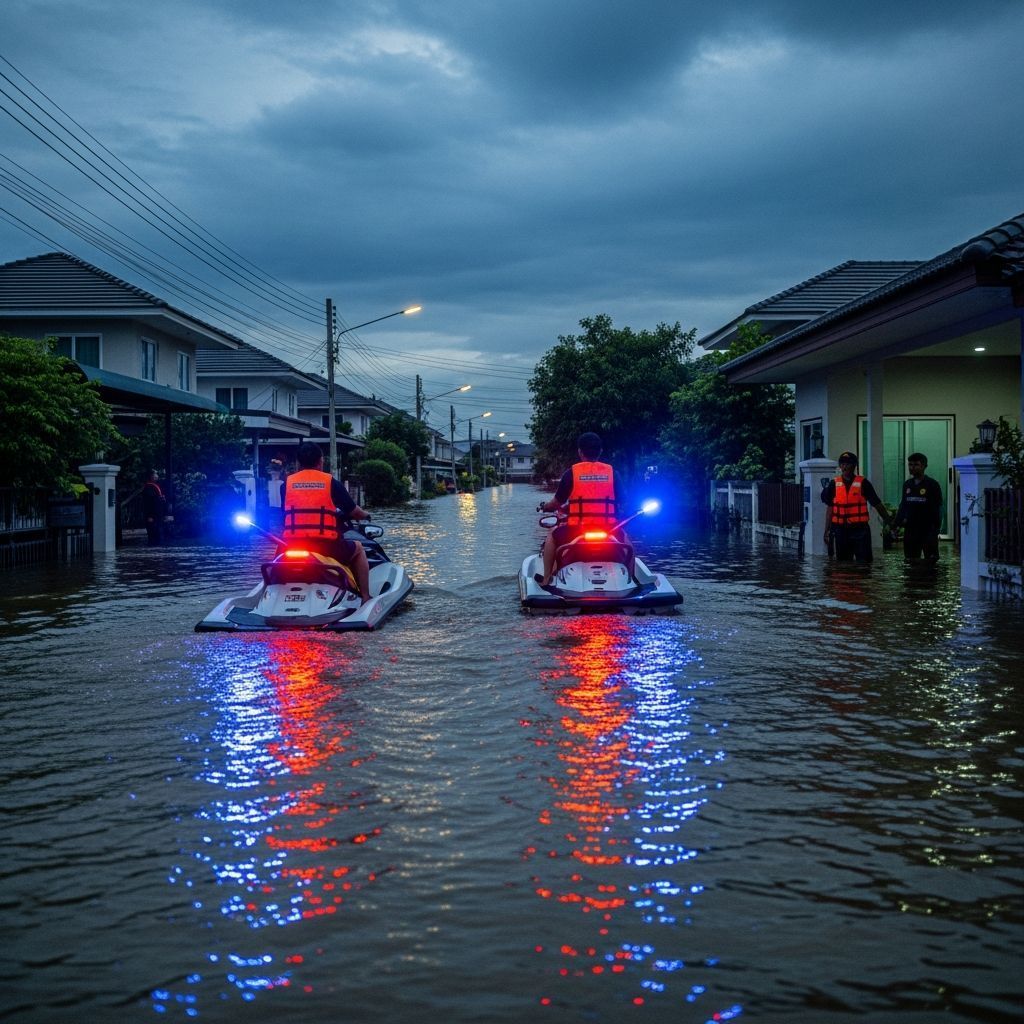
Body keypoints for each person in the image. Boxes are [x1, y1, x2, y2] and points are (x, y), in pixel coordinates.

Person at [282, 441, 372, 602]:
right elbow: (354, 511)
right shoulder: (330, 483)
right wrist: (365, 515)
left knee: (276, 559)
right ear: (320, 461)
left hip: (292, 545)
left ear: (298, 463)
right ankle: (365, 597)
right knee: (358, 549)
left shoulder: (286, 485)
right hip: (326, 547)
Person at [537, 432, 618, 586]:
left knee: (552, 536)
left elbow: (556, 502)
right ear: (600, 451)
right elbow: (623, 502)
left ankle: (547, 578)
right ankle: (633, 578)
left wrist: (545, 507)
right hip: (609, 529)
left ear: (580, 452)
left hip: (577, 530)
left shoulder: (572, 473)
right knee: (627, 542)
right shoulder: (612, 473)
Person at [820, 451, 894, 564]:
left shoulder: (863, 483)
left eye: (848, 464)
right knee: (843, 564)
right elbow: (830, 508)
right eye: (842, 464)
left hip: (860, 530)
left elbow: (877, 504)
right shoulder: (833, 484)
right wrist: (826, 531)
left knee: (864, 563)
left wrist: (888, 521)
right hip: (840, 530)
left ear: (854, 466)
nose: (845, 467)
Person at [892, 452, 943, 562]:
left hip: (928, 529)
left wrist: (936, 528)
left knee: (931, 562)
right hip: (911, 529)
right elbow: (903, 506)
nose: (912, 468)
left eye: (916, 465)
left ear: (924, 466)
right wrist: (896, 524)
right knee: (910, 561)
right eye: (910, 465)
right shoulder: (907, 485)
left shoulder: (932, 485)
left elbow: (938, 507)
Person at [142, 469, 167, 546]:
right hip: (152, 515)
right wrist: (150, 515)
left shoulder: (155, 486)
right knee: (153, 534)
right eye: (156, 474)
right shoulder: (148, 488)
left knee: (158, 533)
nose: (157, 476)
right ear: (152, 476)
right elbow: (149, 503)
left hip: (157, 514)